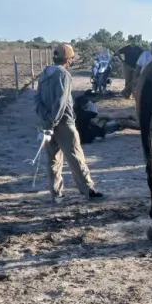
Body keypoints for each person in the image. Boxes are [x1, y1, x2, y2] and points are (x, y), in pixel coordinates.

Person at [34, 44, 105, 202]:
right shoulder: (64, 74)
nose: (72, 61)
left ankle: (56, 194)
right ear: (68, 59)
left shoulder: (45, 73)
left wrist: (45, 119)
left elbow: (37, 99)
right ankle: (88, 190)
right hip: (64, 123)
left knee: (53, 160)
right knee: (76, 157)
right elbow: (61, 101)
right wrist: (53, 121)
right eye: (72, 58)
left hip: (46, 123)